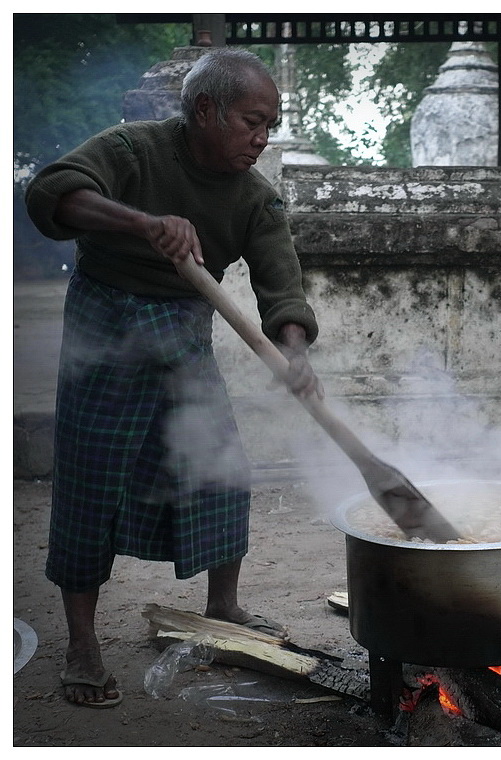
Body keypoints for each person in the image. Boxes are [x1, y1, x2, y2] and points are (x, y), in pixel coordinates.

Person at [24, 48, 323, 709]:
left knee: (221, 474)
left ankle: (225, 609)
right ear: (205, 110)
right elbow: (49, 194)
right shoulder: (132, 150)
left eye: (271, 124)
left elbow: (283, 286)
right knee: (89, 489)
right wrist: (143, 223)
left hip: (185, 339)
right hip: (104, 336)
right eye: (252, 121)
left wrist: (295, 353)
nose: (262, 138)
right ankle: (81, 644)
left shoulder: (254, 197)